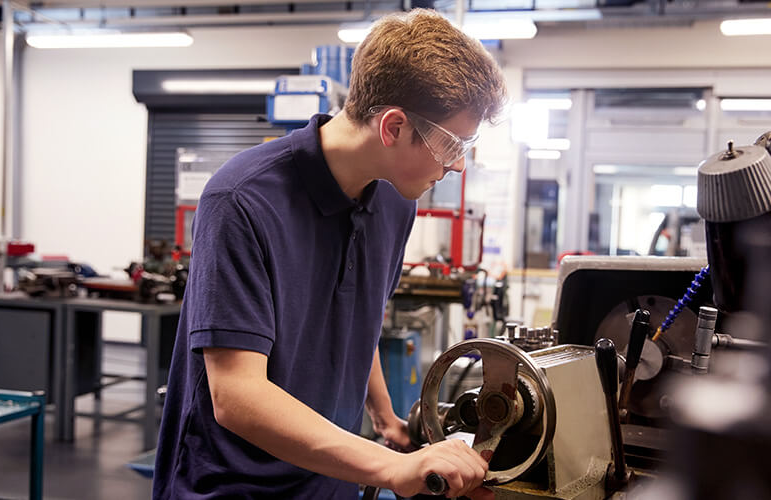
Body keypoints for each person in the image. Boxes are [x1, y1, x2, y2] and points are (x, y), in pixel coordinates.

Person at [152, 8, 507, 500]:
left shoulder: (393, 202)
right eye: (452, 142)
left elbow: (357, 324)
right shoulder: (241, 199)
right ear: (393, 127)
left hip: (331, 482)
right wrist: (388, 468)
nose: (458, 164)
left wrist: (388, 422)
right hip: (233, 488)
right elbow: (236, 396)